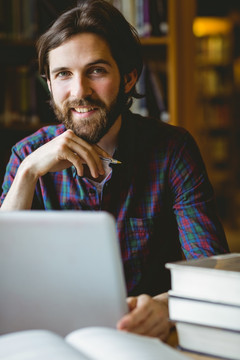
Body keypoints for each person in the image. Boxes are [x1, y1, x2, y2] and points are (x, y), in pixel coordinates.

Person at [0, 0, 229, 341]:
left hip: (145, 339)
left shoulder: (172, 150)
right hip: (52, 340)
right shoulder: (27, 156)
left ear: (128, 78)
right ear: (49, 84)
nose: (79, 92)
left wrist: (167, 307)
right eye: (63, 74)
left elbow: (212, 271)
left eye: (96, 71)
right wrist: (29, 173)